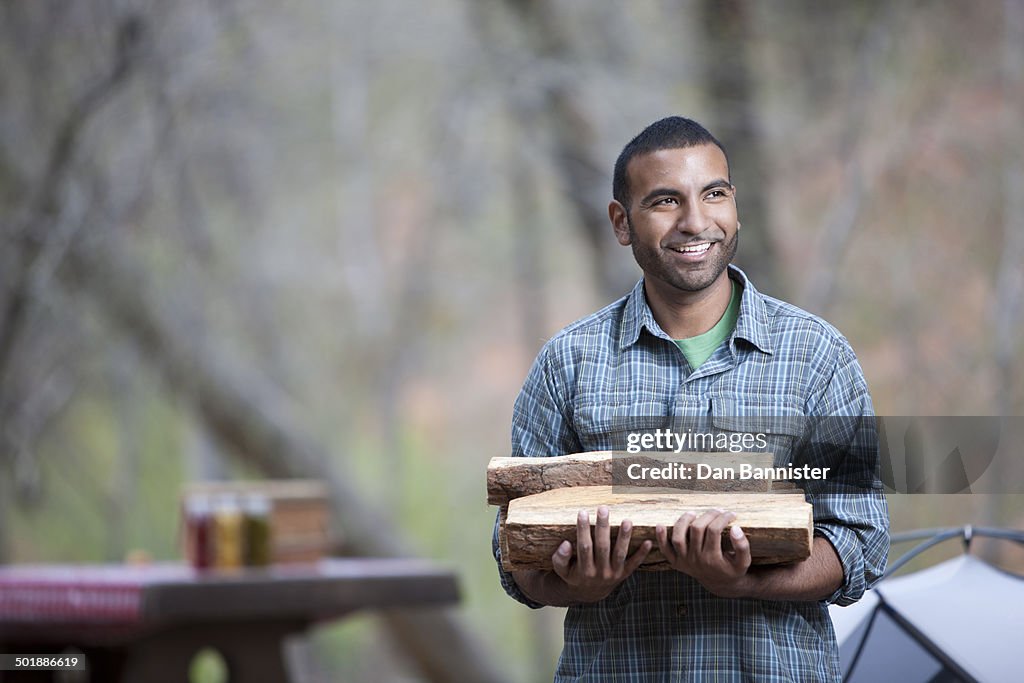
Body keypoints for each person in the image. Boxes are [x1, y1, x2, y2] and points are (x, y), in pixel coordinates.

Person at [493, 116, 889, 682]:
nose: (696, 221)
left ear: (735, 206)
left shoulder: (817, 355)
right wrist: (575, 583)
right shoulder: (568, 363)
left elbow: (860, 543)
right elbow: (513, 551)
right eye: (664, 201)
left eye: (714, 194)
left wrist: (744, 581)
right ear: (621, 223)